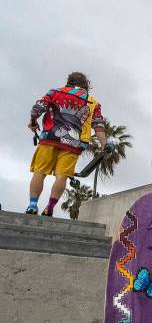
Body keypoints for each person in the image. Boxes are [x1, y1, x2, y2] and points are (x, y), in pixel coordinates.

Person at [27, 72, 110, 216]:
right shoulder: (93, 102)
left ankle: (32, 206)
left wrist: (33, 122)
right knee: (62, 176)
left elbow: (37, 109)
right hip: (73, 143)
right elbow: (98, 125)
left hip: (49, 138)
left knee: (39, 172)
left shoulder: (55, 92)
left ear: (69, 81)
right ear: (87, 85)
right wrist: (104, 145)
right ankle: (49, 207)